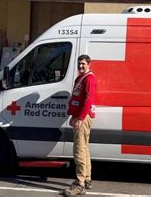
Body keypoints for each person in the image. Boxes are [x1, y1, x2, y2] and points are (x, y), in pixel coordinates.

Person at [63, 54, 97, 196]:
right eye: (79, 64)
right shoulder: (81, 78)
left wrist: (80, 118)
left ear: (89, 64)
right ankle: (87, 178)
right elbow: (77, 98)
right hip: (79, 116)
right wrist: (73, 116)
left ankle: (79, 183)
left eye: (83, 63)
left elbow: (88, 100)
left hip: (83, 118)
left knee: (79, 150)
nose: (81, 66)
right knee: (84, 147)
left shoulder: (89, 79)